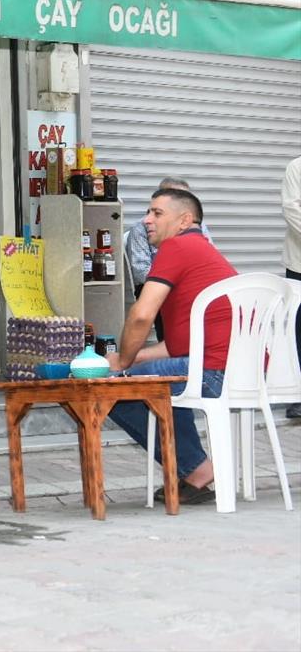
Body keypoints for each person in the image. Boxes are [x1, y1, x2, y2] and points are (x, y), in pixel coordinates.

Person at [106, 187, 236, 505]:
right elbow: (178, 345)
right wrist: (132, 358)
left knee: (113, 388)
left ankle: (195, 470)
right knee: (149, 374)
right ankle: (194, 469)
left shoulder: (176, 247)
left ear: (184, 220)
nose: (147, 220)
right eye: (148, 212)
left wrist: (121, 365)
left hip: (210, 370)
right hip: (239, 368)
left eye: (157, 213)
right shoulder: (202, 251)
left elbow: (140, 316)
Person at [125, 176, 213, 341]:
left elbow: (207, 261)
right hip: (158, 288)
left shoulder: (197, 227)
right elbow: (140, 272)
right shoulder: (142, 229)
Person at [282, 156, 301, 419]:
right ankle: (297, 396)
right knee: (299, 331)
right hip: (300, 264)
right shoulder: (297, 167)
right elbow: (292, 208)